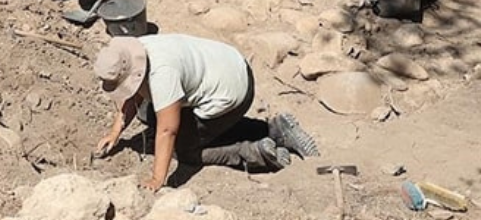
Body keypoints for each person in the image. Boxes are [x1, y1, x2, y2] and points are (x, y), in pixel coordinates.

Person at [93, 35, 320, 191]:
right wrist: (115, 132)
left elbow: (167, 130)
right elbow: (135, 94)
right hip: (232, 67)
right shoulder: (138, 50)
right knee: (148, 112)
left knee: (184, 150)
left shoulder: (162, 74)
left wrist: (157, 178)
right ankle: (275, 130)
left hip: (233, 94)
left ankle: (256, 152)